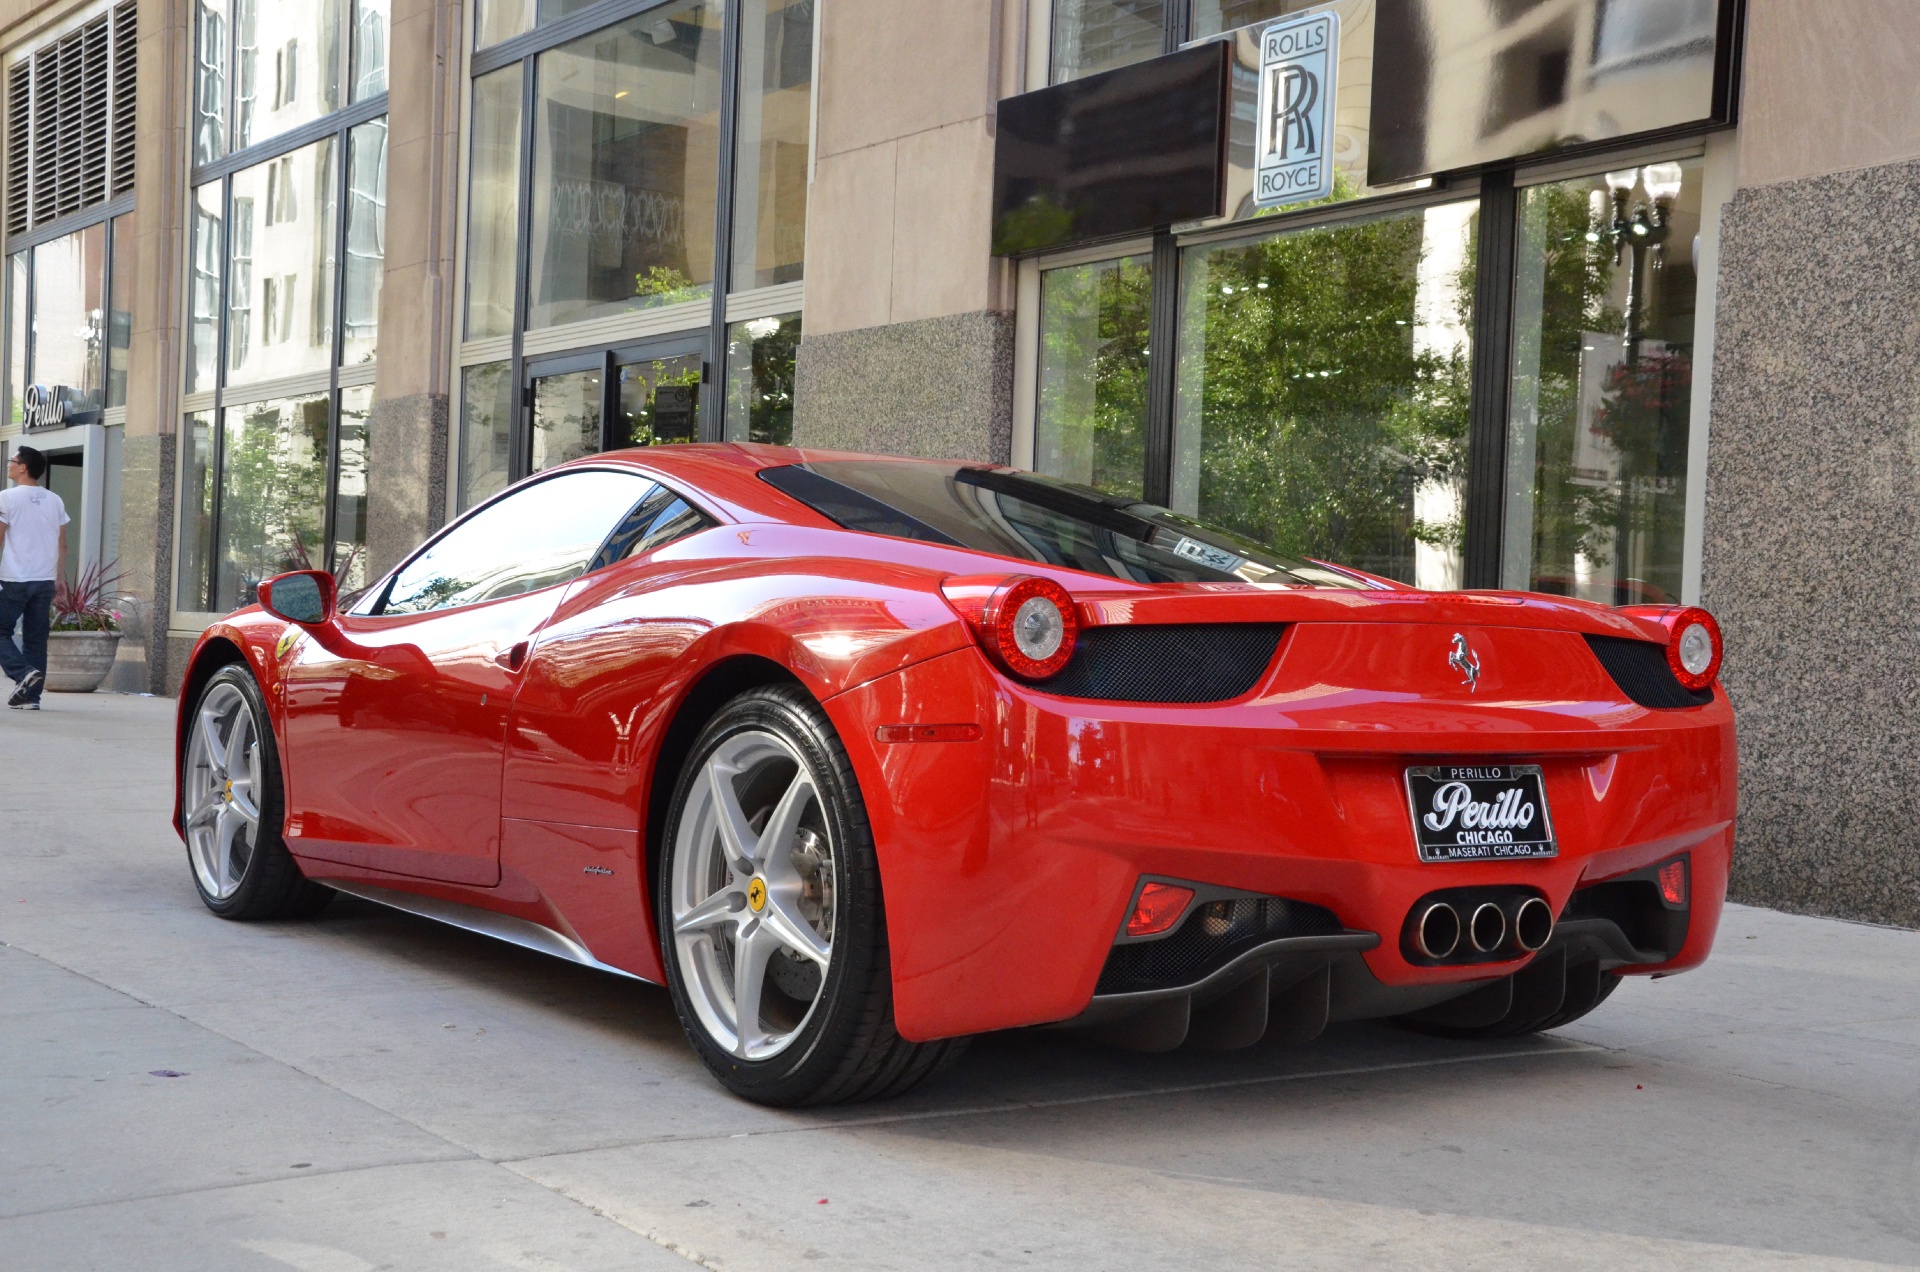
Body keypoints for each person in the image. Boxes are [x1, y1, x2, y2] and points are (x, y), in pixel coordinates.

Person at [0, 445, 69, 711]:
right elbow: (63, 544)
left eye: (12, 461)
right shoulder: (55, 500)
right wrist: (59, 578)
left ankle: (21, 674)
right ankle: (30, 697)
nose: (9, 465)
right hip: (44, 580)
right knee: (36, 639)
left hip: (15, 579)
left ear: (23, 468)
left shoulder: (6, 497)